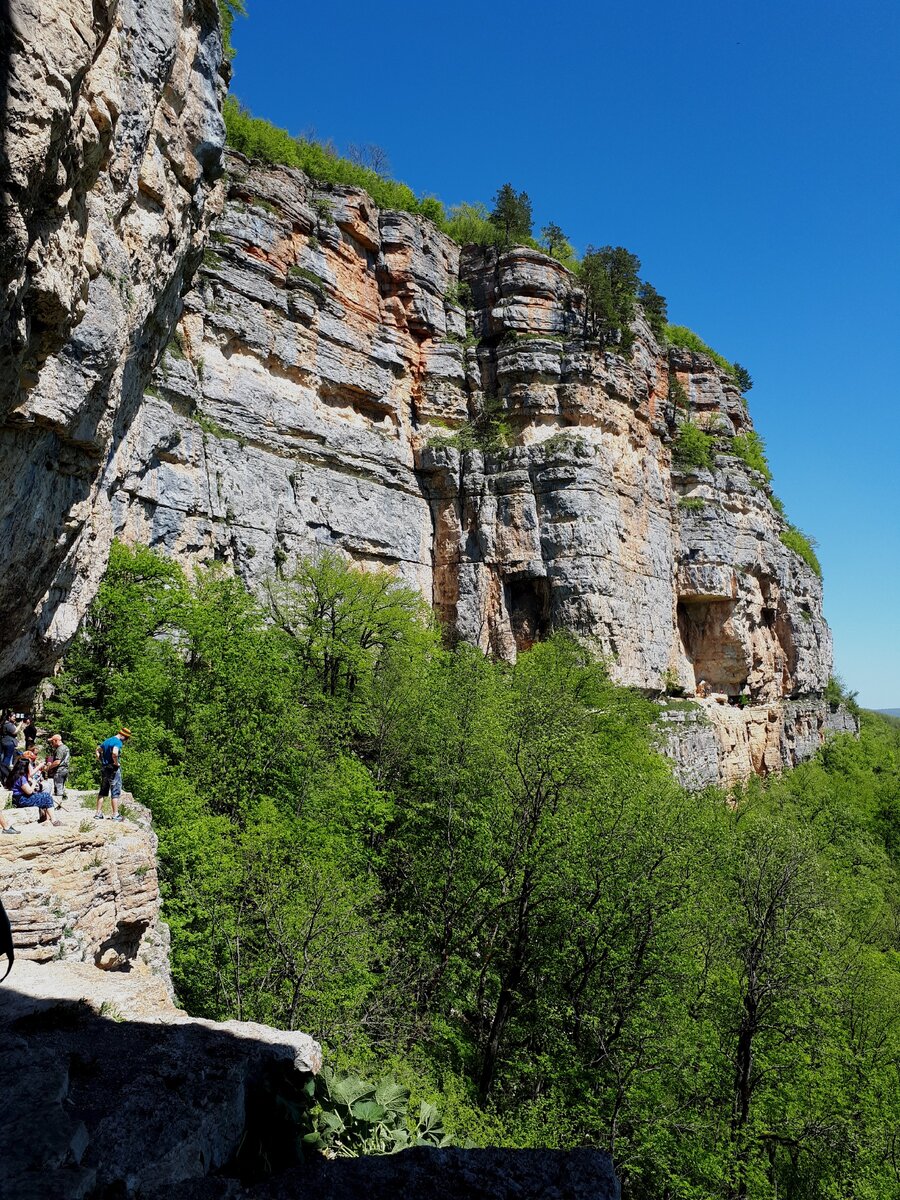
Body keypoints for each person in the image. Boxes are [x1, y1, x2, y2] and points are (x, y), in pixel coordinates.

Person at [8, 753, 60, 826]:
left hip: (17, 798)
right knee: (47, 797)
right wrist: (34, 783)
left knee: (44, 796)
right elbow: (29, 791)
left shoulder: (14, 774)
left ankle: (47, 818)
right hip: (22, 799)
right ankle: (53, 820)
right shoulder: (21, 777)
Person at [95, 727, 131, 822]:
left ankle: (98, 813)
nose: (125, 741)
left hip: (104, 768)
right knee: (115, 791)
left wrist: (101, 760)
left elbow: (98, 750)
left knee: (103, 791)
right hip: (113, 769)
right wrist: (116, 763)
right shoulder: (117, 742)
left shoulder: (107, 741)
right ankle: (115, 814)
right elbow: (115, 753)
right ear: (124, 736)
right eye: (126, 739)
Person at [43, 735, 71, 808]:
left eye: (52, 742)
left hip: (60, 770)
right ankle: (60, 803)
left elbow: (57, 762)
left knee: (58, 787)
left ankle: (58, 805)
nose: (52, 744)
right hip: (65, 769)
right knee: (61, 786)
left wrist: (48, 767)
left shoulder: (59, 749)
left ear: (56, 740)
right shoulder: (66, 747)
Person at [1, 712, 18, 779]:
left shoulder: (7, 723)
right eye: (13, 716)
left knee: (5, 758)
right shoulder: (7, 724)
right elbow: (15, 731)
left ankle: (4, 776)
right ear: (9, 717)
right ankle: (7, 775)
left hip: (5, 742)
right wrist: (21, 724)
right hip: (8, 743)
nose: (15, 718)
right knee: (7, 759)